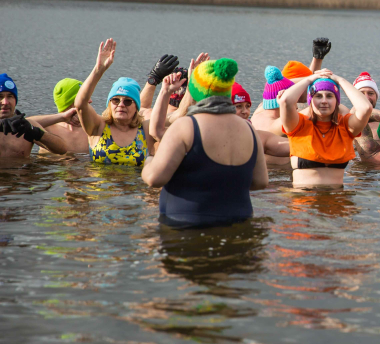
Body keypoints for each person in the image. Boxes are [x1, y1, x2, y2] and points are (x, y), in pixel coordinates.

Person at [142, 58, 268, 227]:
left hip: (187, 226)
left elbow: (154, 179)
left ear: (195, 90)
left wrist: (149, 161)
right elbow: (260, 182)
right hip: (240, 222)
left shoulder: (186, 126)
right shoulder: (249, 129)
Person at [281, 70, 372, 187]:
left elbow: (365, 108)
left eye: (329, 96)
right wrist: (310, 79)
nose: (324, 101)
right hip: (304, 201)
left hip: (338, 201)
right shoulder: (298, 125)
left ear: (337, 101)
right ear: (311, 100)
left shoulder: (346, 127)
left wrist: (339, 80)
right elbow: (285, 101)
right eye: (318, 96)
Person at [75, 39, 155, 166]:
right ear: (109, 104)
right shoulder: (98, 126)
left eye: (128, 101)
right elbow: (80, 104)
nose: (121, 105)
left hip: (135, 185)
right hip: (102, 185)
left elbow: (176, 120)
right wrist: (98, 70)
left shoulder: (145, 128)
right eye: (115, 100)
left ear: (136, 107)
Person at [0, 73, 69, 158]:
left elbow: (62, 149)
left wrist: (36, 132)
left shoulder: (25, 125)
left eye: (10, 96)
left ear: (15, 100)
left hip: (21, 170)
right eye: (0, 97)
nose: (5, 102)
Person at [36, 78, 89, 154]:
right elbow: (23, 123)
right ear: (71, 102)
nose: (90, 100)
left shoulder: (93, 126)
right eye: (85, 98)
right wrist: (62, 117)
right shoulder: (46, 128)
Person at [251, 66, 294, 136]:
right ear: (284, 101)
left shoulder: (258, 112)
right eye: (294, 100)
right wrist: (310, 79)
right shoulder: (280, 124)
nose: (296, 106)